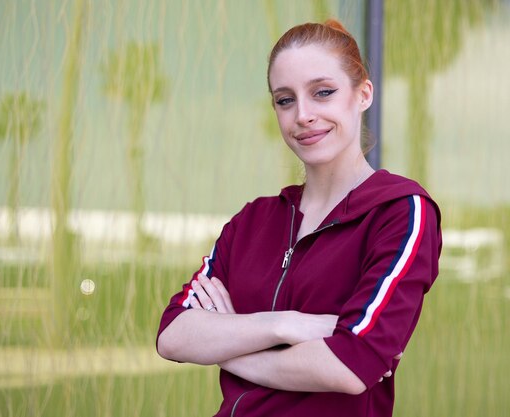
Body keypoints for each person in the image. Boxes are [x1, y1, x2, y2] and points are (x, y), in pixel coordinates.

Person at [156, 19, 442, 417]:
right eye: (285, 100)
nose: (303, 115)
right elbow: (173, 335)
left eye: (323, 92)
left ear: (363, 94)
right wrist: (284, 325)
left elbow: (351, 365)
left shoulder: (399, 211)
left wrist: (229, 350)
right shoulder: (252, 222)